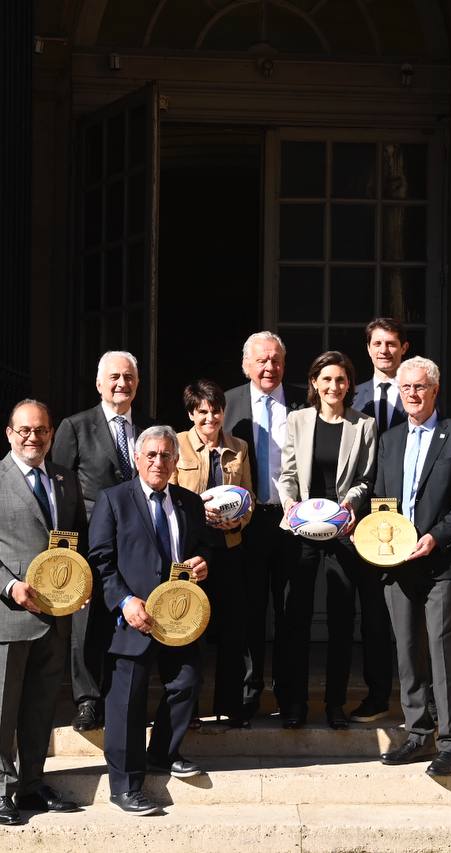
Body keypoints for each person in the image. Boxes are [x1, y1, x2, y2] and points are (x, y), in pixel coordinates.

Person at [0, 399, 86, 825]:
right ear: (9, 434)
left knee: (40, 707)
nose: (34, 437)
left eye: (42, 430)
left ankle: (31, 784)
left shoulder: (65, 480)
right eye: (25, 430)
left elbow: (74, 543)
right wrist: (10, 585)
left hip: (53, 616)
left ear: (51, 434)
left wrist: (78, 585)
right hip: (5, 614)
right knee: (1, 711)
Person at [88, 425, 213, 816]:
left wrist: (203, 563)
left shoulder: (190, 503)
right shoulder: (113, 500)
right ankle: (125, 787)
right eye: (152, 455)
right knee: (126, 702)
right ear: (138, 460)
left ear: (177, 462)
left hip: (178, 617)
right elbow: (100, 561)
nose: (159, 461)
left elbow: (202, 550)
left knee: (187, 682)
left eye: (166, 455)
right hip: (133, 617)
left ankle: (161, 753)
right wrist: (123, 602)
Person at [375, 357, 451, 777]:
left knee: (442, 650)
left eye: (420, 387)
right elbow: (383, 500)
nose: (413, 395)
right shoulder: (390, 439)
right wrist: (379, 538)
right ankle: (418, 734)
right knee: (406, 650)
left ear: (435, 390)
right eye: (406, 389)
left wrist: (437, 535)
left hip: (442, 560)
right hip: (398, 563)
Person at [276, 351, 391, 729]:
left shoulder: (364, 425)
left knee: (342, 620)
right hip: (303, 530)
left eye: (340, 380)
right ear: (314, 383)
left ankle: (334, 705)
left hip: (343, 530)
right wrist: (290, 504)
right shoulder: (298, 420)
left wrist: (349, 504)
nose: (333, 387)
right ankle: (293, 706)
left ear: (349, 385)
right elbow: (288, 472)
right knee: (296, 619)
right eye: (326, 379)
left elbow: (366, 477)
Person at [50, 351, 154, 732]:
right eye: (114, 377)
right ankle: (88, 700)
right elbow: (59, 489)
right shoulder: (75, 427)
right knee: (87, 623)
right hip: (91, 542)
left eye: (128, 377)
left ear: (137, 384)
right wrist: (63, 550)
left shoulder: (149, 427)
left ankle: (122, 695)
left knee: (131, 618)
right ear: (99, 384)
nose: (121, 383)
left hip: (139, 540)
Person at [223, 331, 300, 720]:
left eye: (275, 360)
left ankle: (289, 696)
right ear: (246, 365)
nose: (269, 366)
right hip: (247, 522)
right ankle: (249, 692)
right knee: (250, 611)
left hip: (292, 522)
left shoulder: (304, 401)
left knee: (289, 611)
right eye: (261, 360)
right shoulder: (229, 404)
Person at [171, 379, 254, 727]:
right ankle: (188, 711)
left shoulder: (239, 447)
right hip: (190, 551)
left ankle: (231, 706)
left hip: (228, 547)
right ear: (192, 413)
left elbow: (248, 498)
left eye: (215, 410)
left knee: (233, 629)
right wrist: (195, 512)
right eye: (202, 411)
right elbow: (169, 497)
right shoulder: (175, 444)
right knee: (190, 628)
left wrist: (235, 523)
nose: (210, 418)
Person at [353, 317, 411, 434]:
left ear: (404, 348)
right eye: (377, 344)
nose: (383, 350)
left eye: (390, 344)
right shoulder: (352, 395)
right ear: (369, 349)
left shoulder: (417, 394)